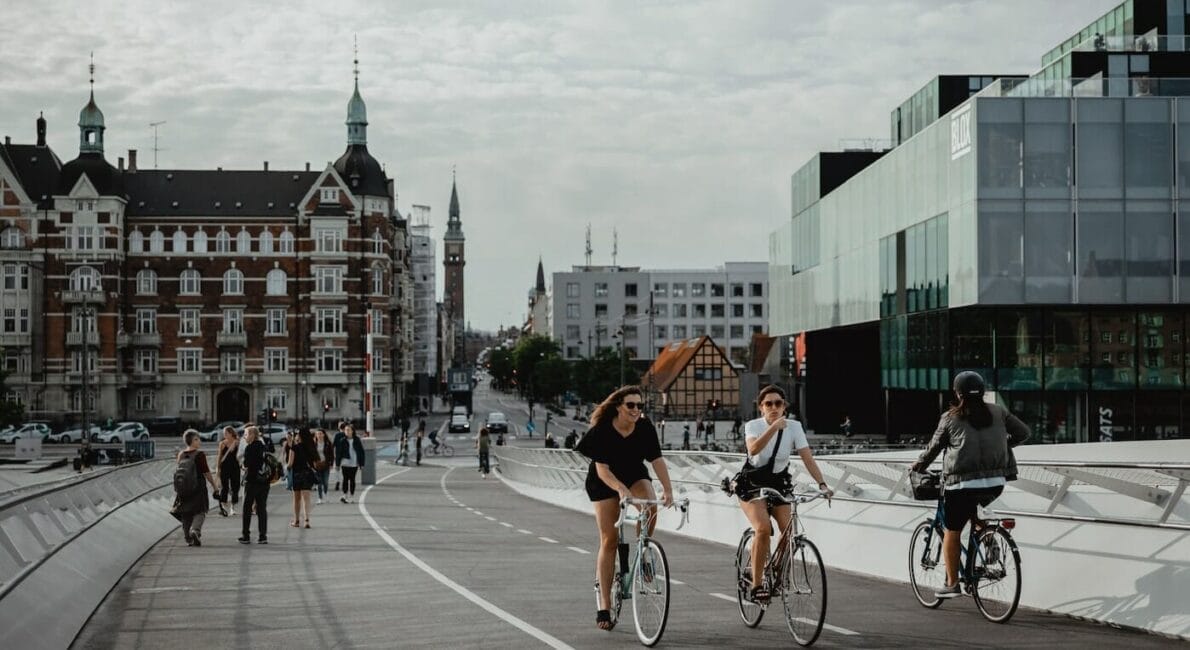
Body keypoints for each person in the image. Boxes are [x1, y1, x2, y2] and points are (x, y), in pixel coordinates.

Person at [911, 371, 1029, 599]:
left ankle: (952, 583)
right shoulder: (998, 411)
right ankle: (987, 536)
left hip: (961, 485)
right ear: (982, 391)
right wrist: (1005, 447)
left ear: (957, 393)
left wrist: (917, 465)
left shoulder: (950, 417)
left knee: (951, 532)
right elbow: (1024, 433)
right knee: (975, 510)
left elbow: (933, 449)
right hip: (995, 483)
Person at [575, 386, 675, 632]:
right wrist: (621, 490)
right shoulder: (602, 431)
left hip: (634, 474)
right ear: (619, 406)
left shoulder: (644, 427)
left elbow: (657, 460)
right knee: (609, 540)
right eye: (631, 405)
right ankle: (605, 607)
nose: (636, 410)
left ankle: (644, 552)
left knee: (650, 506)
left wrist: (668, 489)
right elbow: (602, 470)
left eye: (640, 406)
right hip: (605, 482)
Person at [734, 385, 832, 603]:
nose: (774, 407)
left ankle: (777, 571)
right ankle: (757, 585)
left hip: (779, 483)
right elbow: (753, 449)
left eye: (778, 403)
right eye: (768, 404)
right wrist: (773, 428)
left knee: (788, 531)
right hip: (753, 484)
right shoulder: (754, 425)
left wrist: (823, 484)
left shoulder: (794, 427)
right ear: (761, 408)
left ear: (784, 406)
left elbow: (807, 458)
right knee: (762, 528)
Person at [172, 429, 219, 547]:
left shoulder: (181, 454)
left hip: (183, 488)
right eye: (196, 439)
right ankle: (195, 531)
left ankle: (188, 538)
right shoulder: (199, 454)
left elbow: (178, 471)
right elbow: (206, 472)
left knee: (186, 512)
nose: (199, 441)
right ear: (191, 441)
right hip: (198, 487)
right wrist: (214, 486)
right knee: (200, 511)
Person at [239, 426, 269, 544]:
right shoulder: (263, 446)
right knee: (261, 509)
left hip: (252, 481)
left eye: (246, 434)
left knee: (247, 509)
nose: (244, 436)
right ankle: (263, 536)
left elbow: (247, 464)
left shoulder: (250, 448)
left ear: (252, 435)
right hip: (264, 482)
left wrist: (242, 465)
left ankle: (246, 535)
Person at [288, 428, 317, 528]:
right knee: (306, 498)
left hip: (296, 474)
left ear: (299, 436)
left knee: (296, 499)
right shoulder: (311, 447)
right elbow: (315, 462)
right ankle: (307, 520)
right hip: (307, 474)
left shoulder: (294, 448)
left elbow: (290, 464)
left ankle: (296, 521)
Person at [336, 424, 365, 503]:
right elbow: (339, 453)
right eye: (345, 430)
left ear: (352, 431)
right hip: (345, 462)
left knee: (352, 479)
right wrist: (337, 464)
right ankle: (345, 495)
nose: (347, 431)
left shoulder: (357, 440)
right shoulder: (342, 440)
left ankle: (352, 496)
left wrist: (361, 464)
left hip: (354, 463)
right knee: (345, 479)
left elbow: (361, 452)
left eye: (348, 430)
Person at [216, 426, 240, 517]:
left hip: (235, 467)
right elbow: (219, 456)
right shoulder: (222, 443)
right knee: (224, 487)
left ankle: (233, 507)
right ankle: (224, 507)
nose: (224, 435)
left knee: (235, 487)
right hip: (225, 467)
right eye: (224, 433)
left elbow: (241, 454)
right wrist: (218, 468)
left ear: (231, 433)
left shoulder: (237, 442)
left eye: (226, 433)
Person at [312, 428, 335, 504]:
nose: (319, 435)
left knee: (325, 481)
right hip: (317, 465)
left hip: (326, 464)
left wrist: (331, 464)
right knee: (319, 482)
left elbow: (332, 454)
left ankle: (325, 494)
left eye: (320, 434)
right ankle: (320, 498)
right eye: (318, 434)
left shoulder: (328, 443)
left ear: (324, 434)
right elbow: (310, 455)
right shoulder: (313, 444)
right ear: (316, 435)